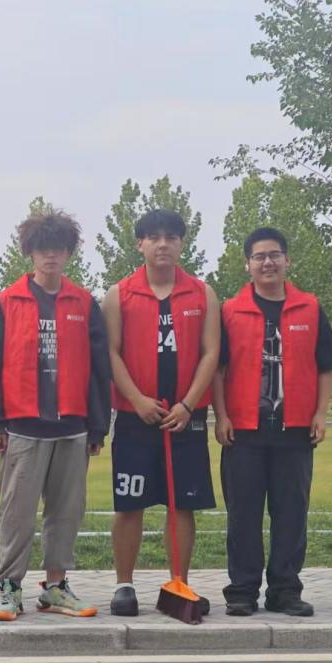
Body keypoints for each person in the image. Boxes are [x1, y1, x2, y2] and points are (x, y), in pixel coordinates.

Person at [0, 209, 111, 621]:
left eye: (58, 248)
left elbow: (99, 369)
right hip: (23, 428)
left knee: (66, 512)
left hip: (72, 428)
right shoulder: (9, 301)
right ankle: (9, 588)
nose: (50, 256)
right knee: (16, 513)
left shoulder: (84, 303)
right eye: (42, 249)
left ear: (69, 252)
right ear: (31, 253)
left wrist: (98, 426)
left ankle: (56, 587)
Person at [212, 227, 332, 617]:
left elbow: (327, 367)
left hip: (295, 432)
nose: (267, 262)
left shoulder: (310, 308)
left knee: (291, 514)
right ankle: (242, 590)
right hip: (244, 432)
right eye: (259, 256)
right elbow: (217, 369)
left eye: (274, 255)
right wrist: (221, 415)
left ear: (287, 260)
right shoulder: (230, 311)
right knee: (243, 516)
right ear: (247, 265)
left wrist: (320, 413)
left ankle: (285, 590)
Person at [102, 209, 220, 616]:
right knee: (129, 502)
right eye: (154, 237)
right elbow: (110, 353)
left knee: (182, 503)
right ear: (140, 244)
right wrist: (136, 399)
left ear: (182, 243)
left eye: (171, 237)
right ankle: (124, 585)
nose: (163, 244)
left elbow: (211, 353)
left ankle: (179, 582)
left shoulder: (202, 294)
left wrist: (188, 404)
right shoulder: (119, 294)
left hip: (186, 418)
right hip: (135, 417)